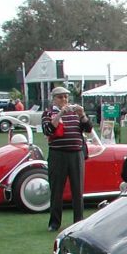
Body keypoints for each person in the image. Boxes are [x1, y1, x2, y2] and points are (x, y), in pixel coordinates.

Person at [42, 86, 93, 231]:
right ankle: (54, 223)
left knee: (78, 190)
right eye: (60, 97)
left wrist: (82, 115)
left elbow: (88, 129)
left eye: (65, 97)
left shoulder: (75, 113)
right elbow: (48, 130)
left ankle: (78, 221)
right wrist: (59, 115)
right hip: (57, 154)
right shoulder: (48, 113)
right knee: (56, 190)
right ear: (54, 99)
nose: (64, 100)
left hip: (76, 154)